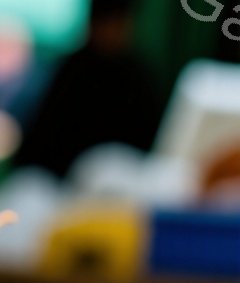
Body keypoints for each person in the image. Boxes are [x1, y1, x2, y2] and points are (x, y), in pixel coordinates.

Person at [16, 0, 162, 178]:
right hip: (64, 182)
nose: (112, 32)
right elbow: (43, 139)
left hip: (121, 180)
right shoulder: (72, 71)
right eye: (106, 24)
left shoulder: (137, 76)